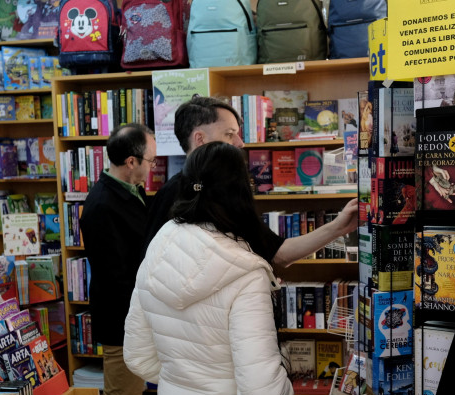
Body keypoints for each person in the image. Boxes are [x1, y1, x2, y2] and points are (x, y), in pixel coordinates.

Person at [124, 141, 295, 395]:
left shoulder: (158, 248)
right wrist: (287, 386)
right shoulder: (245, 271)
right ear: (241, 192)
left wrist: (186, 375)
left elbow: (138, 357)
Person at [141, 96, 359, 269]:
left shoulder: (229, 191)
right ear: (200, 139)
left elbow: (279, 253)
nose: (240, 143)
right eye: (230, 134)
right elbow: (152, 267)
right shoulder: (170, 195)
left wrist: (339, 226)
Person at [79, 123, 155, 395]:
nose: (152, 169)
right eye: (150, 162)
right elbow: (116, 277)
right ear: (130, 161)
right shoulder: (101, 205)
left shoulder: (129, 191)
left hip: (139, 318)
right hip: (124, 322)